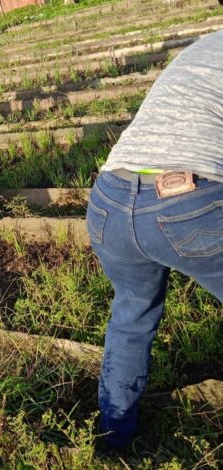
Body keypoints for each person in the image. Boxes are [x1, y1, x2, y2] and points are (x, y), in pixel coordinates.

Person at [87, 30, 223, 447]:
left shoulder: (203, 47)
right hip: (188, 202)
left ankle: (113, 436)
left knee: (131, 315)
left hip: (108, 197)